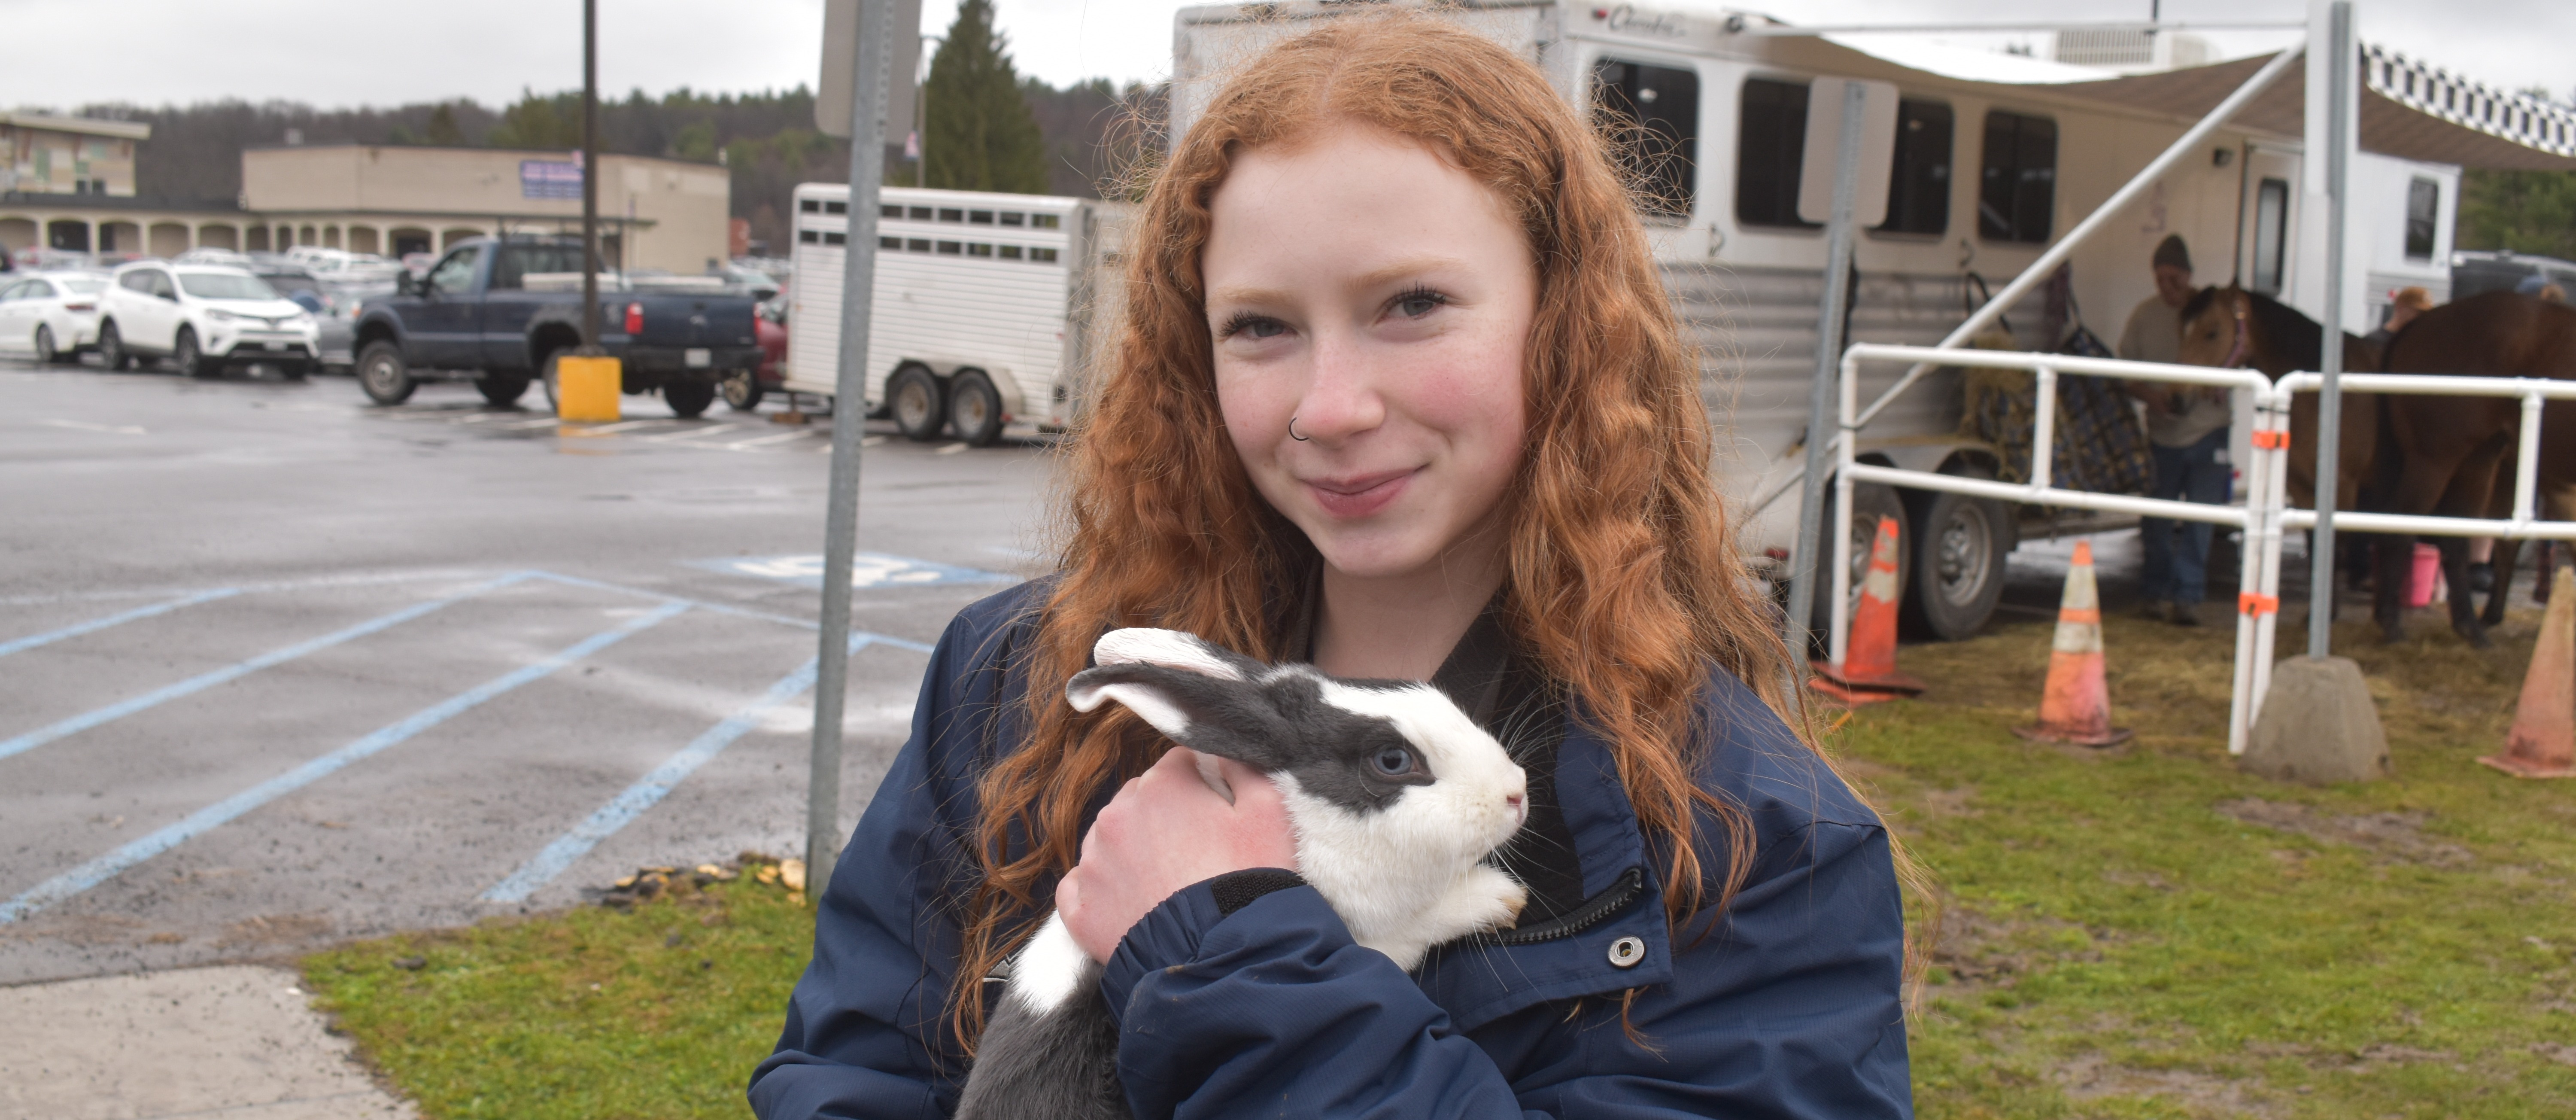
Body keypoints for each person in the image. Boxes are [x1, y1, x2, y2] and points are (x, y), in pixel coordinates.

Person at [749, 14, 1916, 1119]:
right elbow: (850, 1074)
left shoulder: (1750, 842)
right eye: (1260, 326)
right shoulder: (1017, 687)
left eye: (1411, 305)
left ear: (1561, 324)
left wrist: (1220, 939)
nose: (1330, 408)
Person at [2120, 234, 2230, 625]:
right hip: (2163, 432)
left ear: (2188, 275)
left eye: (2174, 280)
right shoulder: (2145, 316)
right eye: (2160, 280)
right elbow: (2126, 370)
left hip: (2208, 429)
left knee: (2201, 521)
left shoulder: (2213, 314)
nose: (2167, 289)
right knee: (2157, 519)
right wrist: (2152, 397)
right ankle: (2155, 590)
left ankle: (2188, 596)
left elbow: (2236, 354)